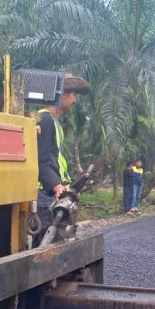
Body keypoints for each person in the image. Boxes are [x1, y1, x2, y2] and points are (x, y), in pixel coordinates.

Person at [33, 73, 91, 246]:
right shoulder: (44, 120)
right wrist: (56, 186)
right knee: (44, 241)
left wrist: (64, 185)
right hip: (44, 194)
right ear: (64, 94)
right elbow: (41, 160)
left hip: (50, 192)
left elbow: (54, 160)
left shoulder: (54, 122)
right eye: (73, 95)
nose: (74, 100)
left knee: (53, 241)